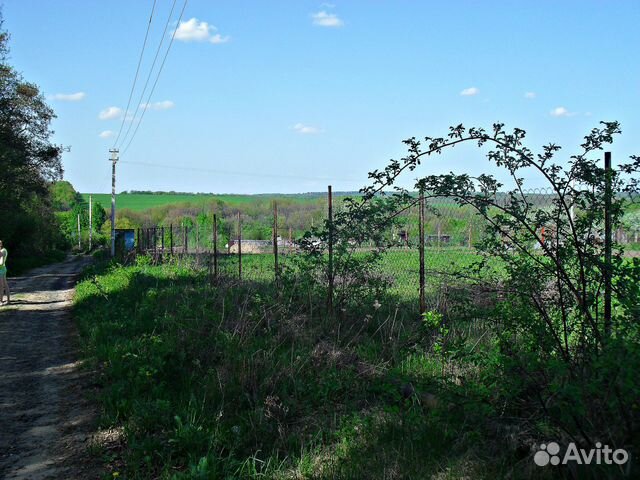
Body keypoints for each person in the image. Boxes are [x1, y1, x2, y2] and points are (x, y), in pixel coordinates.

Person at [0, 240, 9, 306]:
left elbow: (1, 262)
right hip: (3, 268)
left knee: (2, 286)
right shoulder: (4, 250)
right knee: (5, 285)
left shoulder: (2, 251)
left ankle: (1, 301)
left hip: (1, 269)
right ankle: (8, 300)